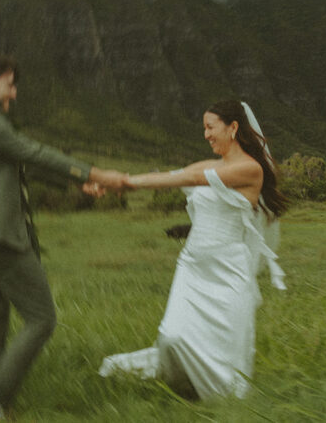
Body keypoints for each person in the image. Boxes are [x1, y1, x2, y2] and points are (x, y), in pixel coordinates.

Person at [0, 50, 130, 420]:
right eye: (10, 84)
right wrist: (93, 174)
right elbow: (31, 152)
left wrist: (79, 186)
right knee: (41, 318)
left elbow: (17, 166)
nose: (14, 93)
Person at [99, 100, 288, 400]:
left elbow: (191, 179)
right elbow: (172, 176)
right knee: (172, 338)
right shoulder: (210, 165)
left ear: (233, 128)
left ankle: (216, 397)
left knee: (225, 354)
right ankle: (184, 385)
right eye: (204, 128)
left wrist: (124, 180)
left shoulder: (250, 170)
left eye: (210, 127)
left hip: (228, 269)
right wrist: (118, 184)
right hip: (193, 266)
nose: (206, 135)